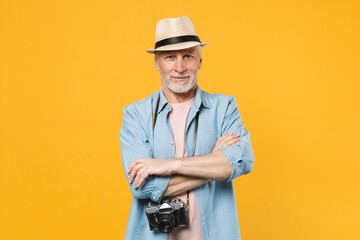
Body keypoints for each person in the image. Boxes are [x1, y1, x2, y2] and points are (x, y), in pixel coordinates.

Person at [120, 16, 254, 240]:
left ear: (200, 60)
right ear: (156, 62)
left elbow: (242, 161)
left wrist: (167, 165)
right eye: (170, 57)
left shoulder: (224, 107)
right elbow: (141, 188)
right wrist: (213, 161)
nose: (179, 67)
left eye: (188, 56)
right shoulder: (136, 115)